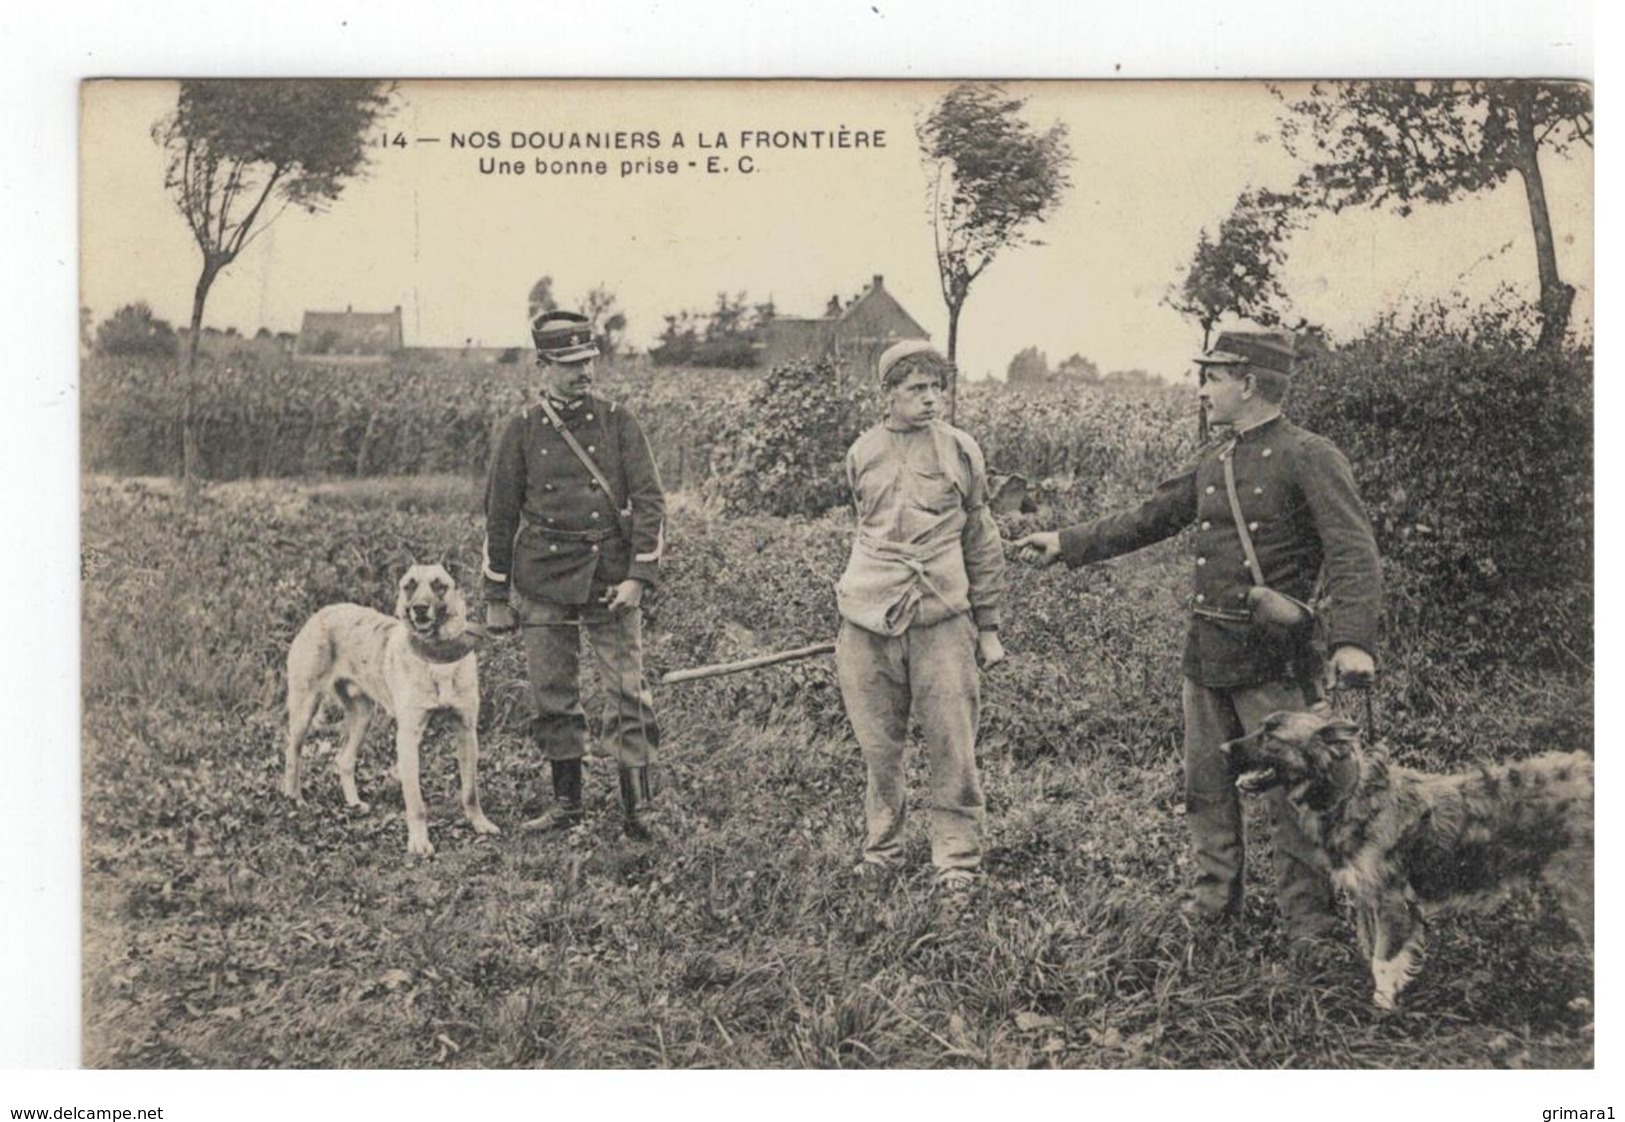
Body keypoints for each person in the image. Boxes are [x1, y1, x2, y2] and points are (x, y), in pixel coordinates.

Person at [1013, 330, 1381, 949]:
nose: (1203, 389)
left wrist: (1352, 641)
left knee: (1293, 797)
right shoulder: (1216, 458)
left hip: (1274, 661)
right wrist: (1069, 543)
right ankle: (1213, 910)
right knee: (1205, 788)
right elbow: (1151, 517)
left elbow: (1353, 551)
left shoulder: (1309, 455)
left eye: (1213, 377)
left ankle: (1310, 929)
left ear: (1250, 382)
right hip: (1207, 653)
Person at [483, 310, 667, 840]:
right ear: (543, 365)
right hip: (541, 576)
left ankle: (640, 809)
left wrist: (638, 577)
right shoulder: (520, 430)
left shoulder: (618, 421)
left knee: (628, 691)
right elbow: (499, 515)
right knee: (552, 693)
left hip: (609, 575)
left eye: (588, 361)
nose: (583, 372)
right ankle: (567, 804)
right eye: (568, 364)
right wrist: (496, 596)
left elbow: (650, 502)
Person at [834, 339, 1007, 894]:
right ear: (887, 395)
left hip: (942, 621)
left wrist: (989, 627)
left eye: (937, 388)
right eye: (916, 389)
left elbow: (980, 540)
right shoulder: (862, 452)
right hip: (868, 620)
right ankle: (881, 849)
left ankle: (957, 861)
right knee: (878, 747)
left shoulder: (961, 450)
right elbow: (867, 526)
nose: (931, 399)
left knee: (953, 744)